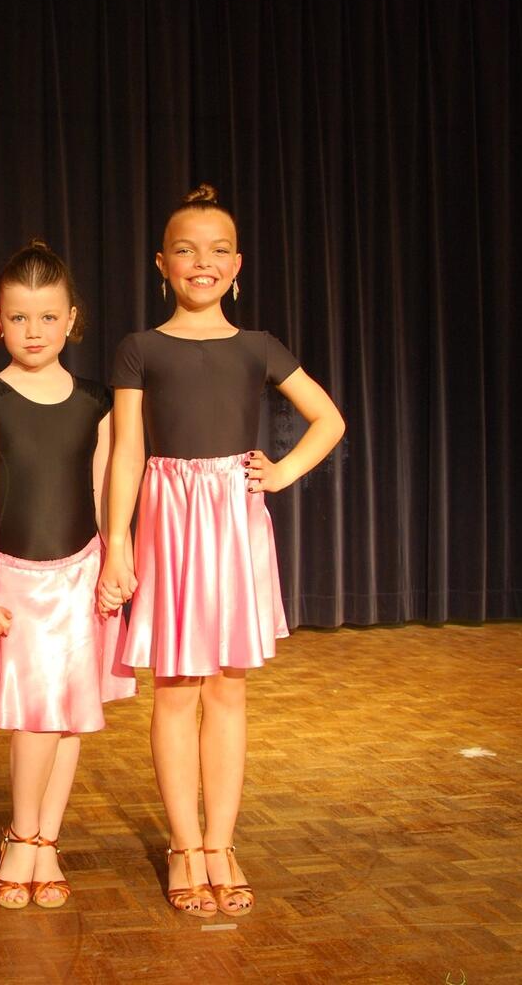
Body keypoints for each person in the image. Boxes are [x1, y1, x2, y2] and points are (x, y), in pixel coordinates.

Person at [98, 184, 345, 918]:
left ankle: (220, 845)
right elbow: (126, 451)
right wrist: (117, 544)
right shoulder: (139, 348)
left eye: (216, 251)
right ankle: (183, 845)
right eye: (185, 250)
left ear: (236, 265)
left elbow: (328, 419)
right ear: (161, 263)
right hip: (169, 518)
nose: (201, 262)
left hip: (233, 521)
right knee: (175, 688)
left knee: (227, 689)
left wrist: (283, 471)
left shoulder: (256, 346)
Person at [0, 240, 137, 910]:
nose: (33, 331)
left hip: (80, 578)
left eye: (47, 317)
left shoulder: (95, 402)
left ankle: (45, 842)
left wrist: (116, 559)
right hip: (14, 584)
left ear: (71, 319)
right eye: (18, 317)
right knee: (34, 719)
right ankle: (20, 835)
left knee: (67, 720)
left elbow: (107, 492)